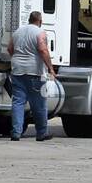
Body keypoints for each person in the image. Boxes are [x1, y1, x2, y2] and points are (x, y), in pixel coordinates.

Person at [8, 10, 56, 141]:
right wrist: (50, 68)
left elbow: (10, 49)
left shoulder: (17, 32)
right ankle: (41, 133)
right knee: (39, 103)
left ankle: (16, 133)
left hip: (17, 71)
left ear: (29, 19)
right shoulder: (40, 32)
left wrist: (17, 60)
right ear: (40, 21)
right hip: (35, 72)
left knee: (18, 102)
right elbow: (42, 49)